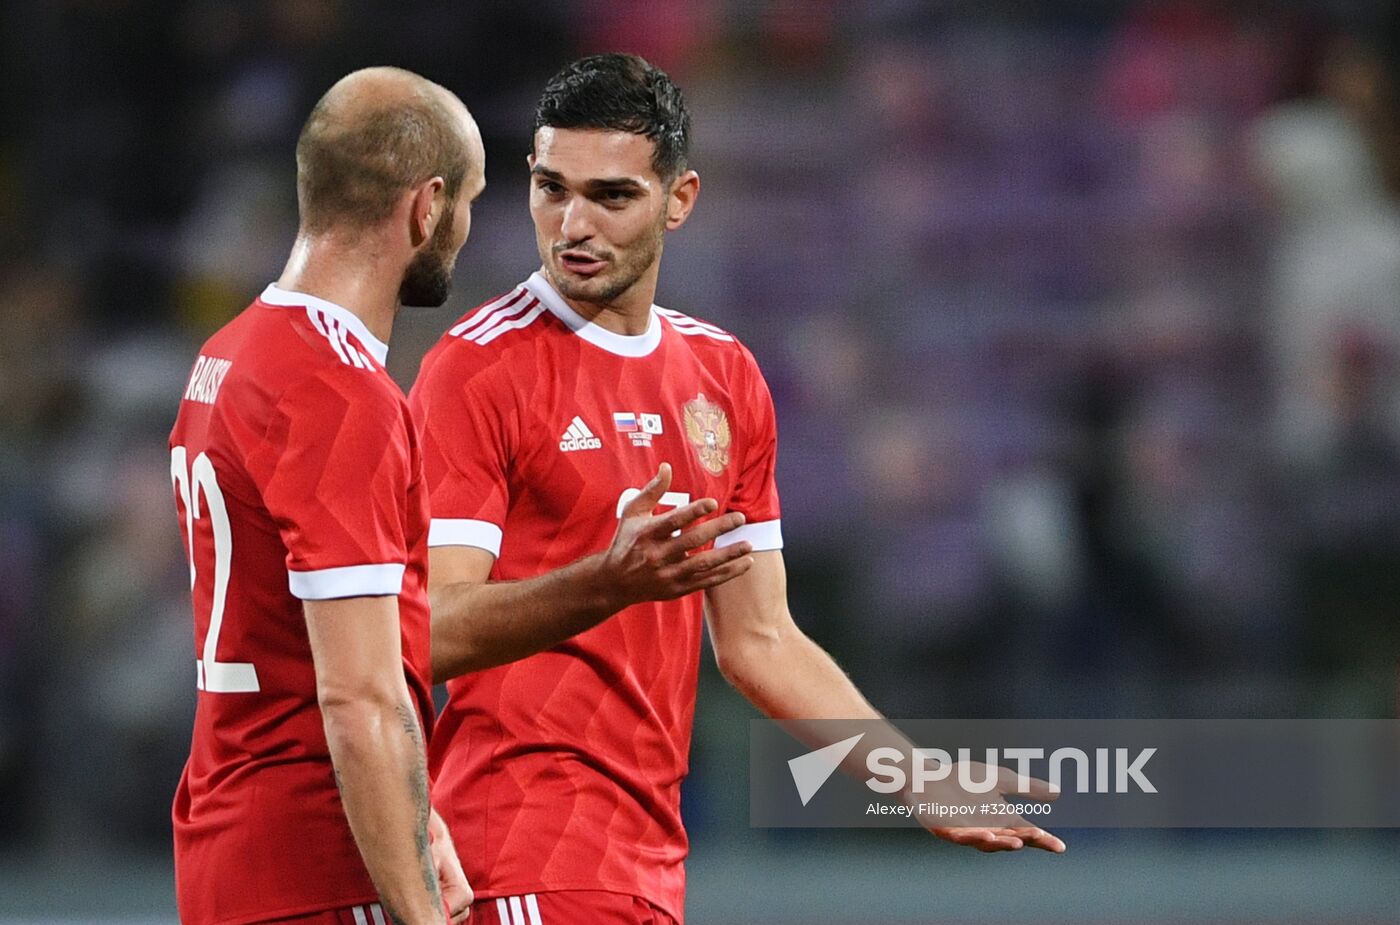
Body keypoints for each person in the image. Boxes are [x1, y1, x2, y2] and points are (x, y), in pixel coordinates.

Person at [410, 53, 1064, 925]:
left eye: (611, 196)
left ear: (678, 201)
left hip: (646, 853)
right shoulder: (477, 370)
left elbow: (758, 640)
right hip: (520, 845)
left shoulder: (723, 378)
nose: (572, 223)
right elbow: (427, 628)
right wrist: (606, 581)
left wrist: (917, 778)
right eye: (551, 188)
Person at [169, 67, 484, 925]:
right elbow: (360, 699)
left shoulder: (227, 356)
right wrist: (419, 909)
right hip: (316, 868)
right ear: (425, 208)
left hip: (229, 851)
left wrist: (423, 824)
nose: (464, 226)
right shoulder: (339, 397)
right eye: (467, 201)